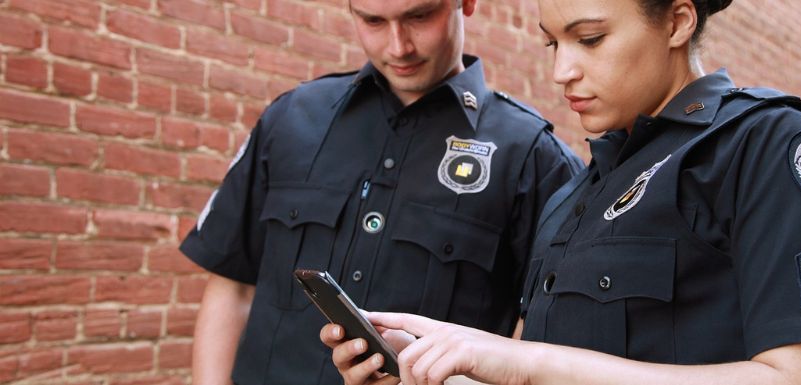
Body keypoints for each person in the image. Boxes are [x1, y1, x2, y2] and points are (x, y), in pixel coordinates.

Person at [322, 0, 801, 384]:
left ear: (676, 22)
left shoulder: (768, 146)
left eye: (589, 39)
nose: (561, 72)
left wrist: (528, 361)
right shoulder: (572, 197)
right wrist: (445, 367)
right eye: (552, 45)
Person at [179, 0, 583, 384]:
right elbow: (232, 288)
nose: (399, 46)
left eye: (419, 16)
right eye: (373, 20)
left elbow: (540, 343)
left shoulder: (535, 159)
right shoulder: (291, 118)